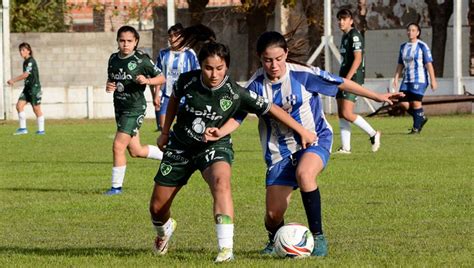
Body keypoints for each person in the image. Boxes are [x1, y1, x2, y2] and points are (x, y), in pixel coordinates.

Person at [204, 31, 402, 257]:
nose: (274, 65)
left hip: (315, 139)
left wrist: (377, 97)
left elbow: (341, 82)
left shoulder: (303, 75)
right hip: (279, 152)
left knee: (305, 174)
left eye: (279, 59)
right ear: (260, 58)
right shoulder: (255, 86)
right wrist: (219, 131)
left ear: (286, 54)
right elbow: (237, 117)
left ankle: (318, 237)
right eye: (268, 60)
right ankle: (276, 239)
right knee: (272, 215)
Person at [149, 25, 316, 263]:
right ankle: (164, 231)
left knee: (221, 182)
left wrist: (302, 130)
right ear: (200, 66)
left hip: (214, 147)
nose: (214, 74)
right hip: (180, 147)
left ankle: (226, 249)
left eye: (220, 68)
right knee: (157, 208)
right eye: (208, 68)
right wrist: (165, 132)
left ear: (227, 67)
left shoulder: (236, 93)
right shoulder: (187, 81)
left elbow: (272, 109)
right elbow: (174, 98)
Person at [104, 25, 166, 195]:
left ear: (136, 42)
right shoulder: (113, 59)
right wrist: (109, 85)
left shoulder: (142, 60)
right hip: (120, 108)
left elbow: (161, 78)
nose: (125, 44)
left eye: (129, 41)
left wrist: (147, 81)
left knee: (118, 146)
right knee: (135, 151)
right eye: (122, 40)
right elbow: (112, 80)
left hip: (134, 109)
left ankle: (116, 188)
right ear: (117, 41)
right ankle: (169, 157)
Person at [336, 8, 381, 154]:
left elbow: (358, 59)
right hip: (342, 77)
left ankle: (373, 134)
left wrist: (348, 79)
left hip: (352, 78)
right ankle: (345, 148)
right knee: (341, 113)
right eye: (339, 19)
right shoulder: (345, 36)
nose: (341, 22)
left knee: (348, 113)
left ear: (351, 21)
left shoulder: (355, 35)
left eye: (344, 19)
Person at [153, 23, 200, 131]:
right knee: (164, 129)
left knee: (185, 129)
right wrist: (156, 95)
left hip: (185, 97)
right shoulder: (163, 54)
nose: (172, 38)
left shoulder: (190, 53)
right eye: (170, 36)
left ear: (182, 38)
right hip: (166, 96)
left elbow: (196, 74)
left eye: (176, 35)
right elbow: (157, 75)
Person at [393, 22, 437, 134]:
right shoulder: (403, 46)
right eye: (409, 30)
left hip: (420, 79)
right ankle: (421, 117)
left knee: (416, 103)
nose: (410, 32)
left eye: (413, 30)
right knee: (403, 104)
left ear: (417, 33)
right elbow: (400, 64)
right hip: (407, 80)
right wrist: (396, 77)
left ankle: (416, 128)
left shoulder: (422, 46)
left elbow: (429, 64)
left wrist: (433, 80)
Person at [8, 42, 45, 135]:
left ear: (28, 51)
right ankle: (23, 129)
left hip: (34, 88)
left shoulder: (31, 61)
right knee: (19, 106)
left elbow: (26, 74)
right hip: (27, 88)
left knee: (36, 109)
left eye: (23, 50)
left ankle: (41, 130)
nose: (21, 52)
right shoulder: (25, 61)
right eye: (20, 50)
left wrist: (13, 80)